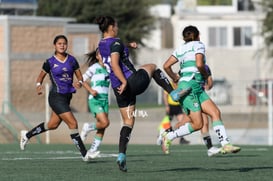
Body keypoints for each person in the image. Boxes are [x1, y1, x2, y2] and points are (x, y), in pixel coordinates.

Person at [95, 16, 174, 172]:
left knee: (128, 122)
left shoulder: (101, 44)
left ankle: (121, 155)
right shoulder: (116, 42)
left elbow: (109, 59)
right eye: (116, 25)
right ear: (111, 27)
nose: (117, 28)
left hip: (118, 90)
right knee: (152, 66)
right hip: (130, 82)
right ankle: (173, 93)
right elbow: (116, 64)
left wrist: (128, 45)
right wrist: (124, 81)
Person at [161, 25, 241, 155]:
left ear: (184, 38)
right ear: (198, 35)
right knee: (198, 124)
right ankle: (169, 136)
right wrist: (205, 75)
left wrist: (175, 77)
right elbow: (199, 64)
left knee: (215, 112)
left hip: (194, 87)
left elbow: (166, 66)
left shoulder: (180, 49)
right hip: (189, 88)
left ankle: (226, 144)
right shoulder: (199, 45)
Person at [20, 35, 96, 161]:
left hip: (67, 97)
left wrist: (80, 83)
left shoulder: (72, 60)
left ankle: (26, 135)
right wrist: (38, 86)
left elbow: (80, 78)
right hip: (56, 97)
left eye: (64, 43)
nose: (62, 45)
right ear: (55, 45)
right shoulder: (49, 62)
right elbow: (39, 78)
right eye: (59, 43)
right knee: (73, 123)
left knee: (53, 124)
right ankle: (85, 154)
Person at [175, 64, 221, 156]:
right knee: (186, 121)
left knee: (204, 122)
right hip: (190, 97)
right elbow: (177, 80)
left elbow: (210, 82)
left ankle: (210, 148)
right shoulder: (186, 66)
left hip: (200, 96)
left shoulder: (205, 67)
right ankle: (167, 134)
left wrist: (207, 85)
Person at [75, 48, 110, 159]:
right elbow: (82, 79)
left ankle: (92, 151)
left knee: (102, 127)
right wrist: (90, 90)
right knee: (105, 123)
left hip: (105, 100)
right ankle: (87, 127)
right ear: (97, 56)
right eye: (101, 54)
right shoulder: (94, 68)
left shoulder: (110, 68)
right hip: (95, 100)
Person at [157, 81, 190, 145]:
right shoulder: (170, 85)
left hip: (178, 107)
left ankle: (181, 139)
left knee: (182, 122)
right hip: (170, 106)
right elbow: (165, 95)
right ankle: (161, 136)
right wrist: (167, 106)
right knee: (167, 123)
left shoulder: (180, 86)